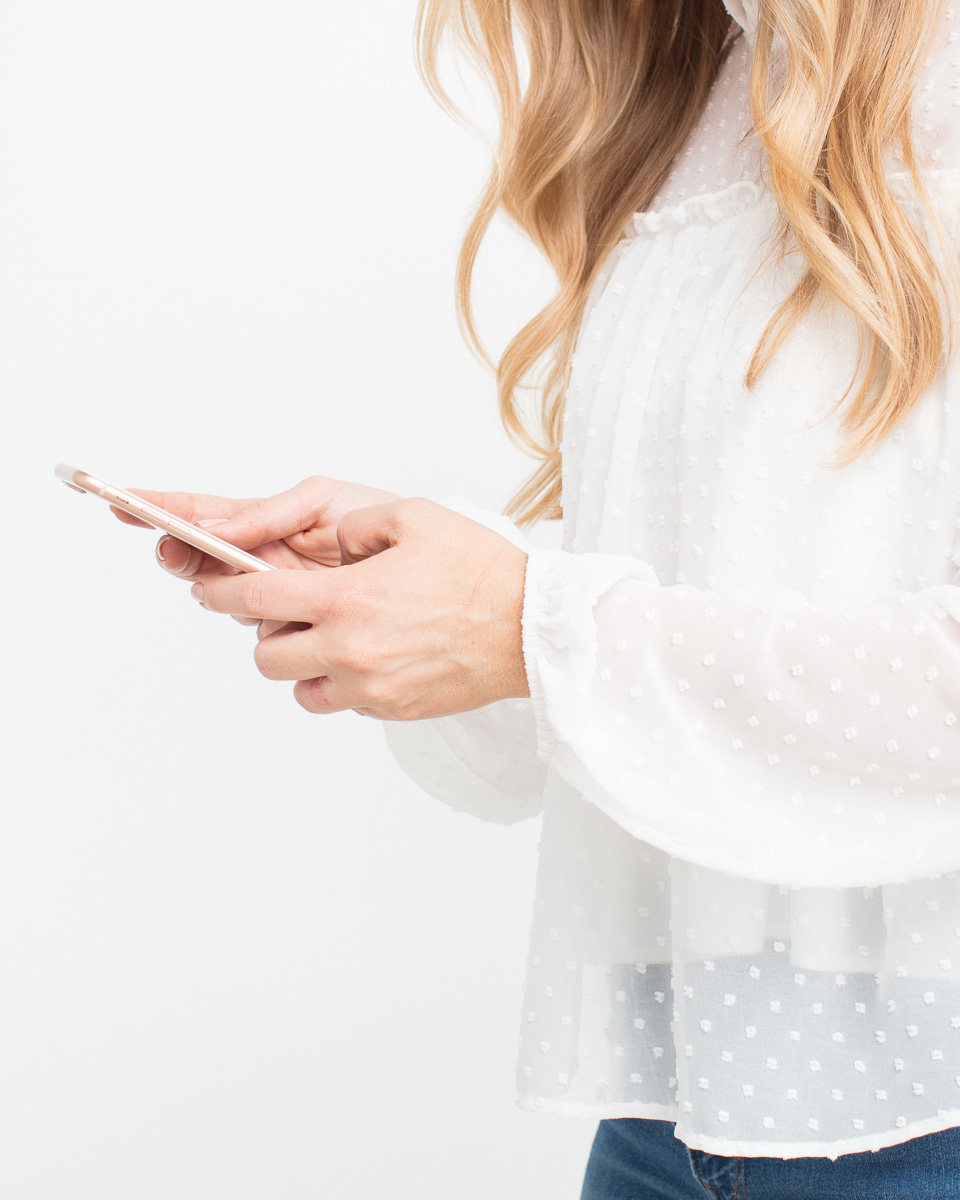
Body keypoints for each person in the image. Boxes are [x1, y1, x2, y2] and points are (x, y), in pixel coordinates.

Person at [115, 0, 960, 1195]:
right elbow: (737, 579)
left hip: (924, 1110)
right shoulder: (716, 79)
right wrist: (434, 597)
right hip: (680, 1105)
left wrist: (530, 624)